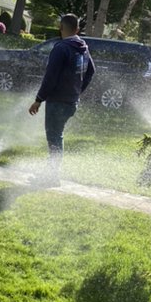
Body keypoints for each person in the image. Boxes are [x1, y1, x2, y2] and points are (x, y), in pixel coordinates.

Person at [28, 13, 95, 183]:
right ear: (77, 29)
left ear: (61, 28)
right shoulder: (83, 47)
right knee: (58, 135)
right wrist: (78, 91)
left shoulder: (61, 48)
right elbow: (91, 71)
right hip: (72, 101)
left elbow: (51, 77)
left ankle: (52, 176)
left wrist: (38, 99)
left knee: (55, 137)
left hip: (58, 101)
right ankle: (51, 172)